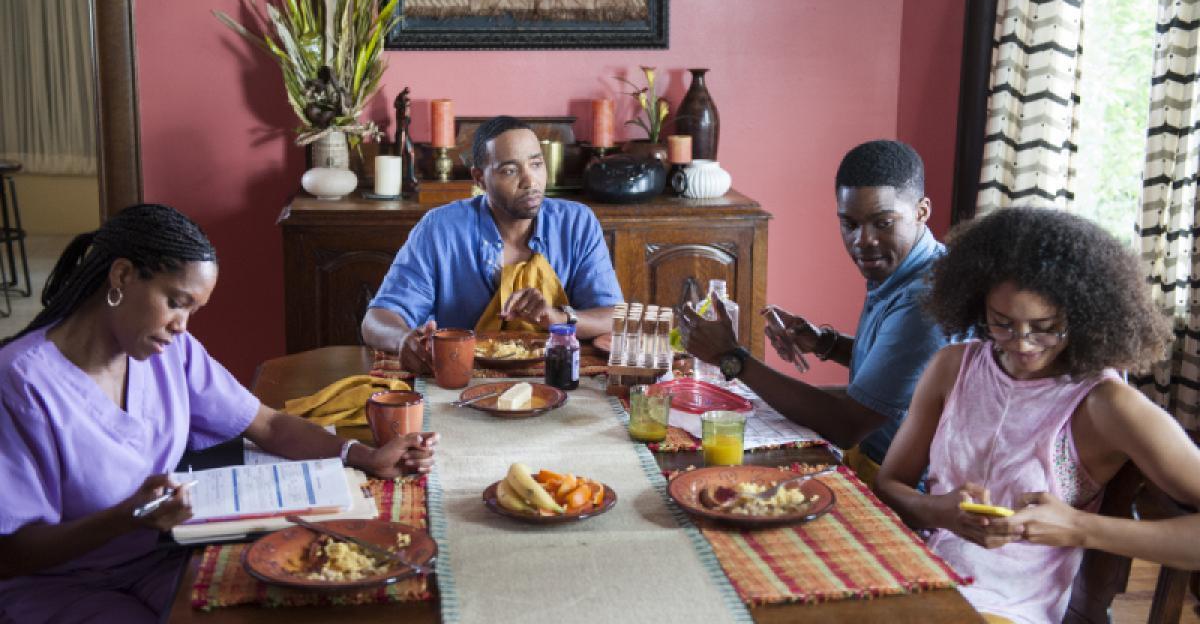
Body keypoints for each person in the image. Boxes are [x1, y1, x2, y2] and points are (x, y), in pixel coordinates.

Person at [0, 204, 438, 623]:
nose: (183, 325)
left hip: (162, 557)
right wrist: (129, 516)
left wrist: (363, 455)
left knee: (290, 601)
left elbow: (267, 424)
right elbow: (11, 552)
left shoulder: (169, 351)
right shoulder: (20, 383)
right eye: (176, 301)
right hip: (63, 585)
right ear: (122, 275)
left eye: (193, 310)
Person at [874, 206, 1200, 624]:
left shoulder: (1106, 405)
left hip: (1006, 610)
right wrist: (938, 511)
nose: (1023, 345)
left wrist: (1078, 527)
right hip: (915, 577)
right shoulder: (953, 367)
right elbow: (889, 484)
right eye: (1002, 323)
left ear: (1082, 316)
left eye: (1046, 327)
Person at [677, 140, 947, 484]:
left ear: (922, 211)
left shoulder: (926, 299)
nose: (862, 240)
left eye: (882, 223)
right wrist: (823, 343)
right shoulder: (905, 266)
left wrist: (732, 357)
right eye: (849, 223)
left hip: (910, 493)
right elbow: (899, 369)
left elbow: (847, 426)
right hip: (869, 460)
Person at [362, 116, 623, 369]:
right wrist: (403, 340)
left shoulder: (576, 223)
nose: (530, 181)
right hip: (461, 377)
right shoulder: (441, 228)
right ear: (479, 179)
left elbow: (614, 317)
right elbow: (376, 320)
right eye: (510, 170)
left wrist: (557, 318)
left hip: (556, 375)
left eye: (536, 164)